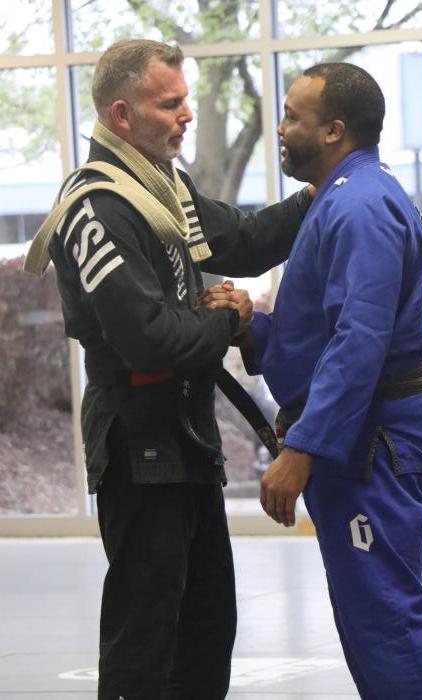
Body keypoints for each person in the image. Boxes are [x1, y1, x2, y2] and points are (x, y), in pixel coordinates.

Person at [24, 40, 312, 700]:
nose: (187, 114)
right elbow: (149, 340)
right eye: (170, 103)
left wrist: (322, 190)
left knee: (207, 630)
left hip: (186, 440)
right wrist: (226, 321)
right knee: (146, 639)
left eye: (186, 100)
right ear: (121, 115)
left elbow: (243, 241)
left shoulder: (163, 183)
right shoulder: (97, 204)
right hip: (139, 445)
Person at [204, 62, 422, 698]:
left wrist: (302, 447)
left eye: (293, 117)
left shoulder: (360, 206)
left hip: (375, 441)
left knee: (387, 622)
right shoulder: (343, 197)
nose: (280, 128)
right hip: (366, 437)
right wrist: (252, 329)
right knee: (372, 621)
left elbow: (360, 342)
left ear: (334, 131)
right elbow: (325, 335)